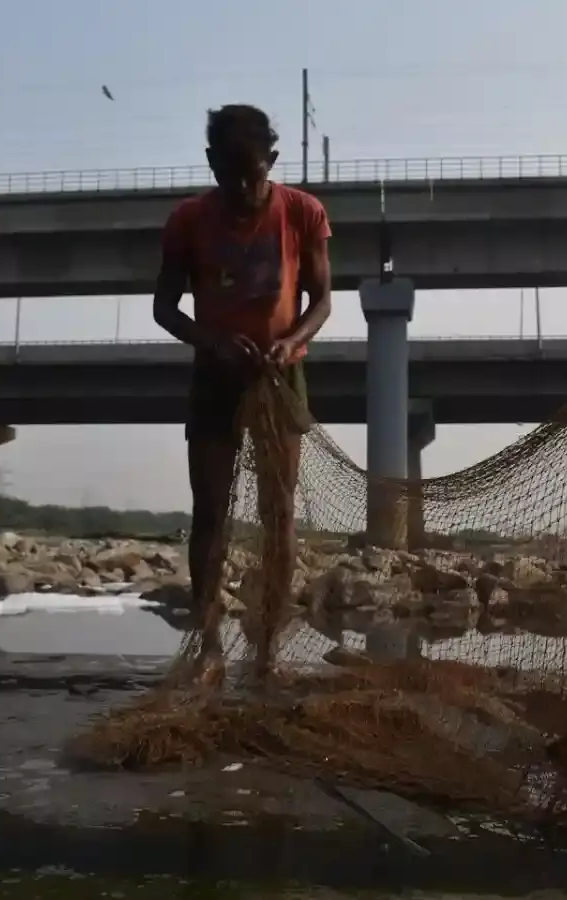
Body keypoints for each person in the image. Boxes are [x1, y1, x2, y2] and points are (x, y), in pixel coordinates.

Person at [151, 104, 333, 683]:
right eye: (230, 177)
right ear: (211, 165)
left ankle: (267, 650)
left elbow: (323, 300)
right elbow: (164, 308)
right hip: (216, 376)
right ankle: (207, 644)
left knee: (277, 514)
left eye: (253, 176)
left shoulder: (303, 213)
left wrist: (290, 341)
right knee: (210, 512)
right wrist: (212, 341)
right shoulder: (187, 221)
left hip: (280, 377)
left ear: (271, 164)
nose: (243, 190)